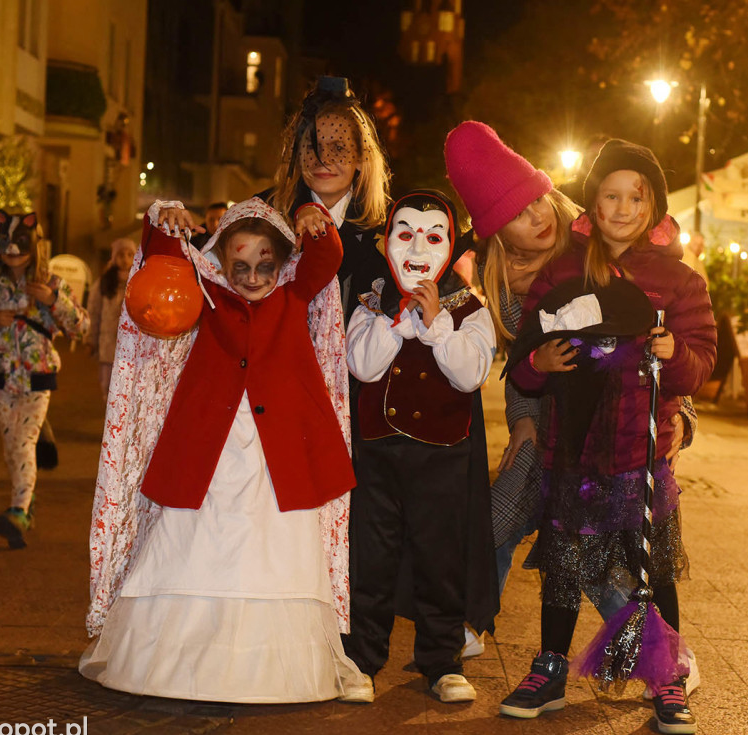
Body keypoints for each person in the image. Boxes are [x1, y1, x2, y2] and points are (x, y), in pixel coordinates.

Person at [80, 197, 366, 703]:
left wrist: (313, 220)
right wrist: (164, 224)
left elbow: (325, 258)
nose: (253, 277)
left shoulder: (295, 293)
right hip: (206, 446)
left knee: (275, 546)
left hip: (278, 454)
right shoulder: (205, 293)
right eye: (240, 267)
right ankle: (175, 665)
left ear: (283, 264)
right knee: (190, 540)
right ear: (221, 261)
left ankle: (268, 674)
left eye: (265, 265)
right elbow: (166, 266)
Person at [501, 140, 716, 734]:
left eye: (635, 197)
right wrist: (539, 362)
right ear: (591, 205)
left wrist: (675, 356)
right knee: (564, 566)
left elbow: (701, 362)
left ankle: (666, 676)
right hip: (569, 453)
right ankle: (549, 667)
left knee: (652, 568)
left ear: (654, 207)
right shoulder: (562, 272)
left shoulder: (677, 281)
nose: (622, 209)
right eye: (610, 196)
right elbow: (521, 364)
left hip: (640, 458)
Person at [443, 122, 698, 596]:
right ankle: (468, 620)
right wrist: (522, 418)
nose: (538, 216)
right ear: (499, 236)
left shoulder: (600, 236)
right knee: (506, 511)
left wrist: (683, 412)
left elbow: (661, 328)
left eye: (537, 199)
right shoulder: (504, 287)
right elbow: (521, 359)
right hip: (546, 417)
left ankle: (651, 646)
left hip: (611, 426)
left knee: (598, 550)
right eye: (517, 214)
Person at [341, 190, 497, 703]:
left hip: (442, 456)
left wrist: (435, 326)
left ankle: (442, 662)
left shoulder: (471, 308)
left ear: (450, 245)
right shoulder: (372, 300)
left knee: (440, 560)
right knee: (372, 559)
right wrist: (396, 321)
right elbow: (362, 366)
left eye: (433, 237)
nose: (418, 247)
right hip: (379, 456)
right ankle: (362, 659)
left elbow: (470, 373)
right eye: (405, 234)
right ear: (388, 241)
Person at [0, 210, 89, 548]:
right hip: (1, 375)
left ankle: (18, 511)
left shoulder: (51, 283)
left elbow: (81, 326)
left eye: (20, 244)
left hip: (37, 374)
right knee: (11, 445)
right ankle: (26, 501)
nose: (13, 251)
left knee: (22, 442)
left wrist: (53, 301)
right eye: (7, 244)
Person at [264, 76, 390, 317]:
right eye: (312, 147)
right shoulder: (265, 216)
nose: (324, 159)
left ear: (362, 158)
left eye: (339, 148)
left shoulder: (391, 229)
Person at [87, 238, 136, 400]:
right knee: (108, 383)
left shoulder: (139, 280)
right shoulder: (104, 282)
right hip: (108, 343)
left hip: (131, 343)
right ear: (114, 257)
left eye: (130, 254)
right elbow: (93, 312)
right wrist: (91, 338)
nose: (125, 259)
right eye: (121, 255)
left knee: (129, 381)